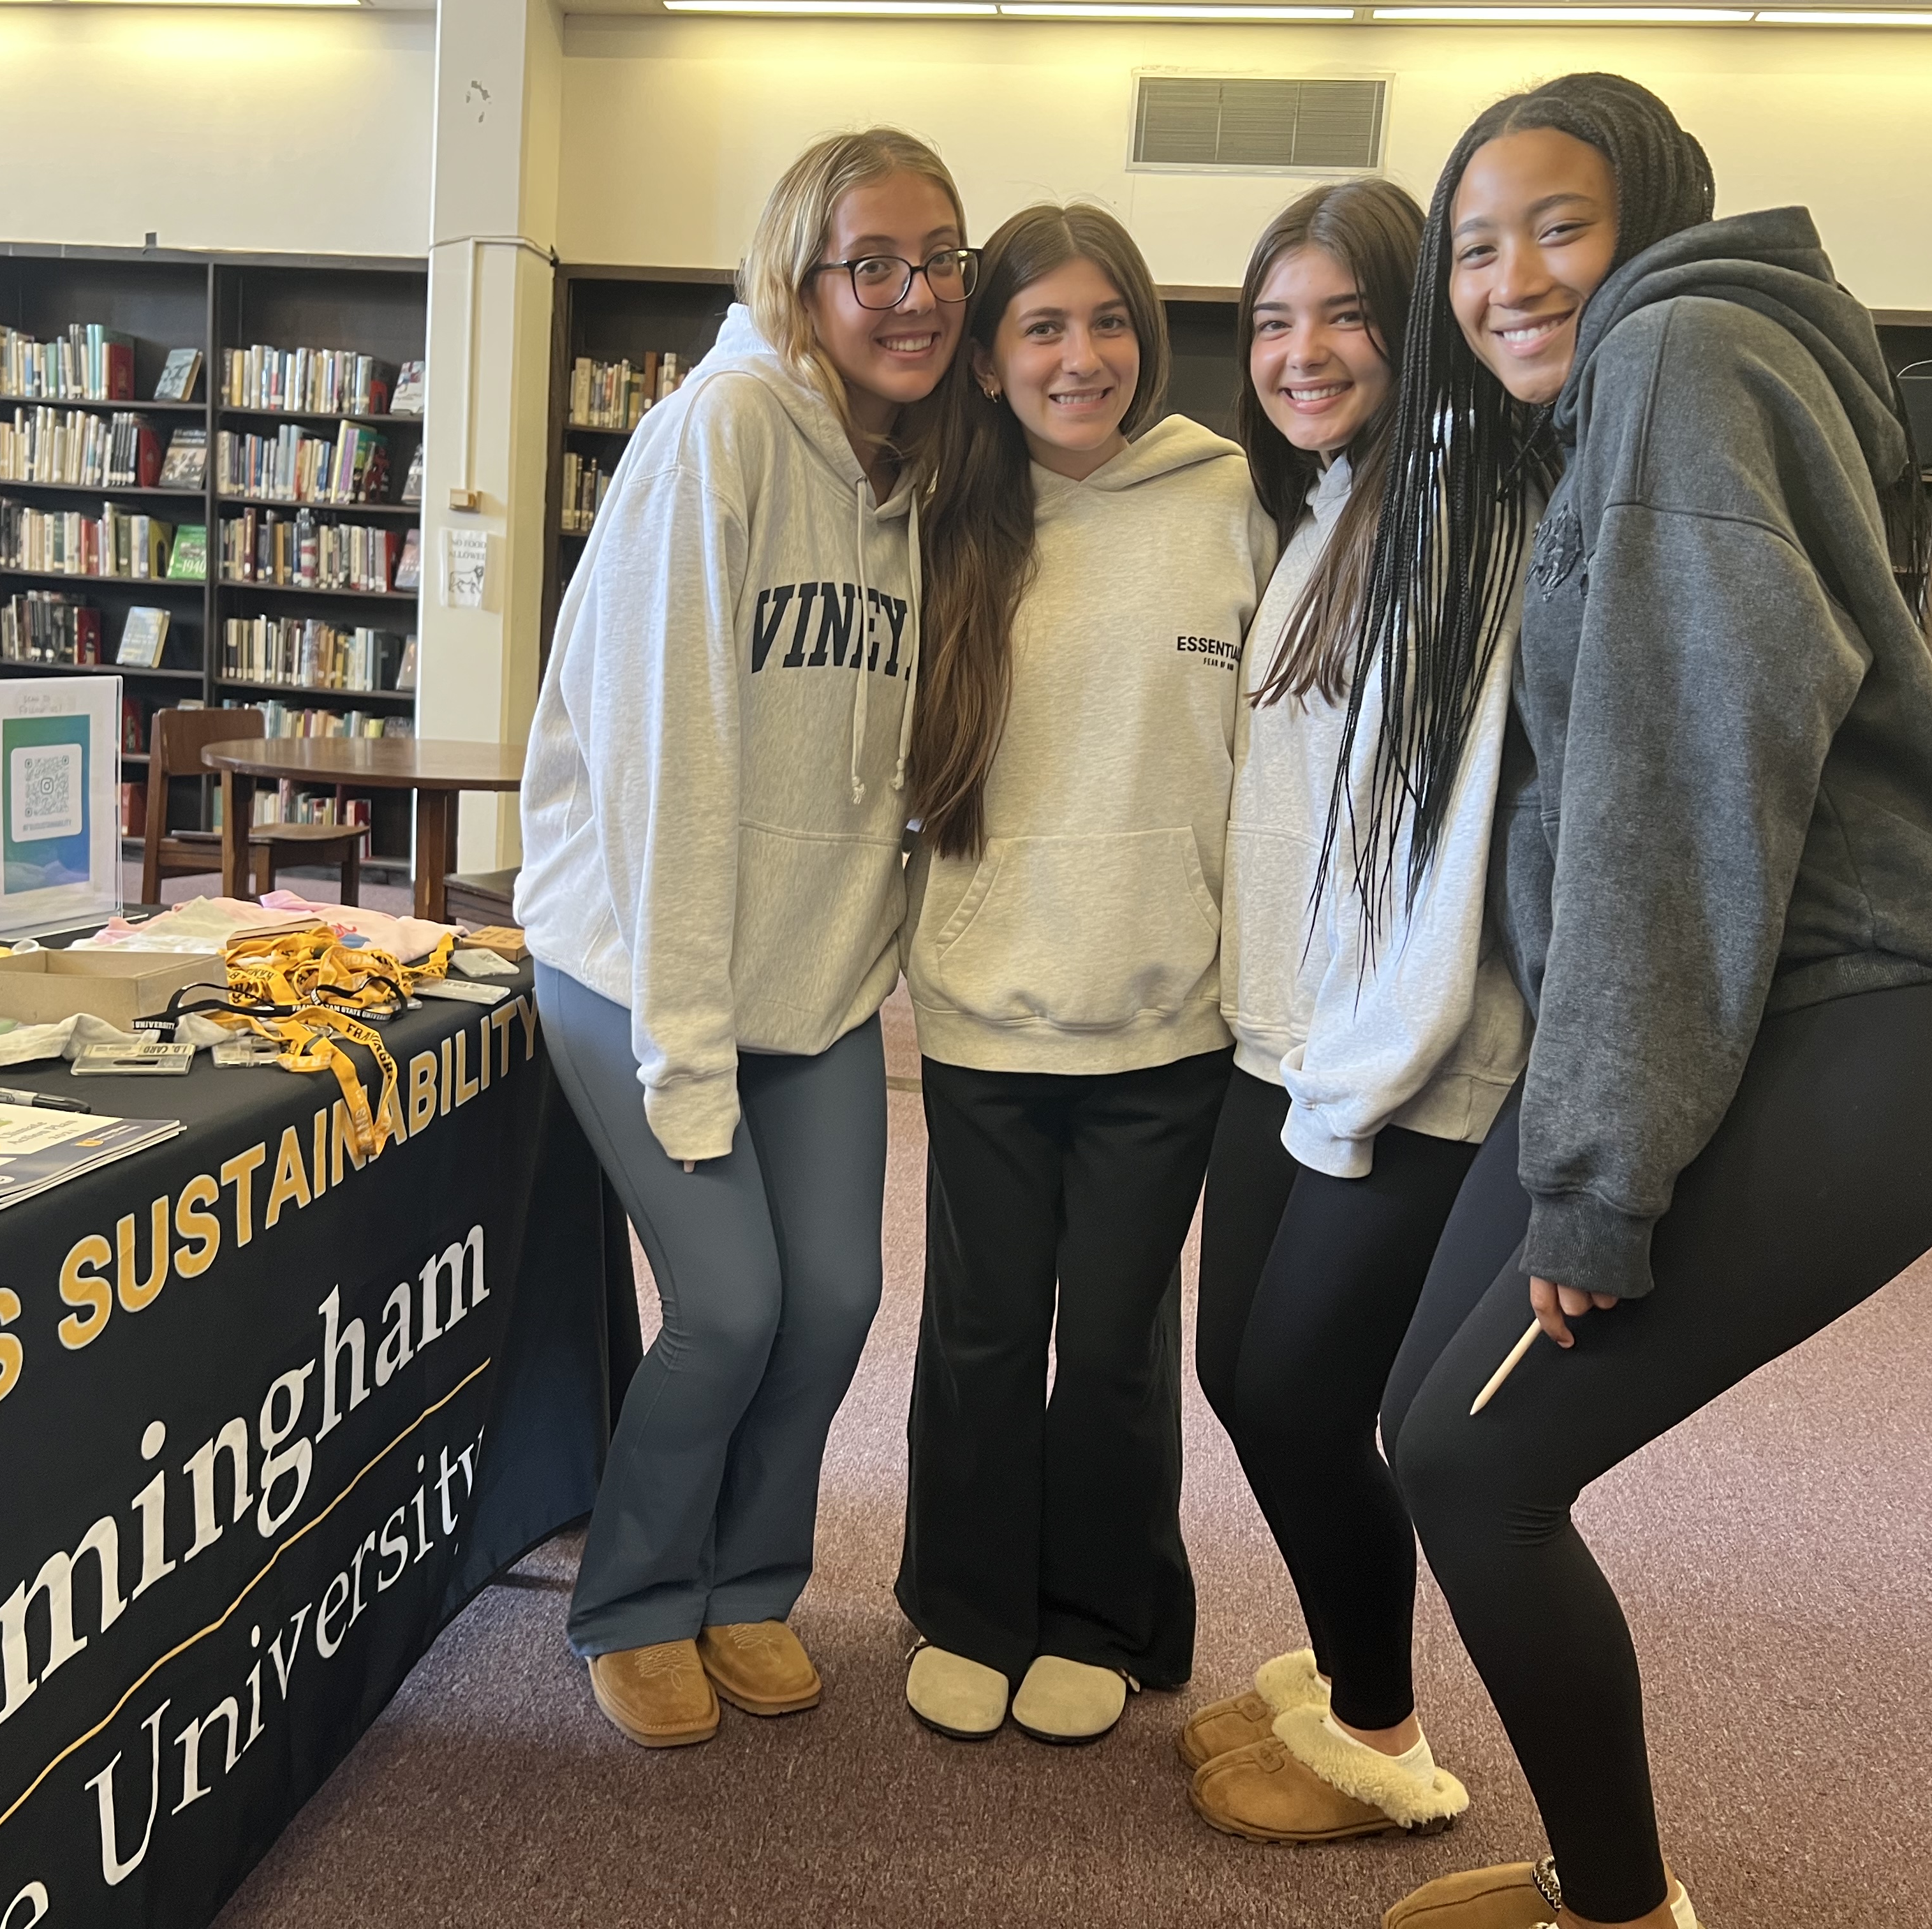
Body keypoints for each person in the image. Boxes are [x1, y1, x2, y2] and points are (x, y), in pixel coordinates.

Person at [1359, 75, 1932, 1929]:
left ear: (1656, 219)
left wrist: (1601, 1178)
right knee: (1417, 1411)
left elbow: (1678, 807)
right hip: (1749, 996)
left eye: (1559, 227)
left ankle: (1618, 1909)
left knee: (1470, 1466)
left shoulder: (1680, 366)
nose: (1508, 278)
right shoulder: (1650, 385)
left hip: (1874, 1007)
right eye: (1474, 244)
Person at [514, 126, 972, 1751]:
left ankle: (748, 1585)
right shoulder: (718, 434)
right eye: (875, 263)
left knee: (837, 1300)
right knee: (731, 1306)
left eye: (941, 261)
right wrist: (686, 1051)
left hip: (814, 974)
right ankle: (634, 1601)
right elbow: (672, 777)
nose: (915, 295)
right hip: (640, 960)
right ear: (802, 274)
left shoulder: (910, 470)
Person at [893, 202, 1275, 1747]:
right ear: (986, 361)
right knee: (982, 1328)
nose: (1081, 356)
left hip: (1167, 1016)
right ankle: (970, 1605)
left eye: (1107, 320)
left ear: (1146, 338)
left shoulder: (1234, 499)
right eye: (1042, 327)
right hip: (986, 1006)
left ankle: (1107, 1614)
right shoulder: (939, 516)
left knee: (1118, 1338)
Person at [1179, 178, 1527, 1846]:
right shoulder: (1333, 501)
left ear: (1414, 324)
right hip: (1286, 1040)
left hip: (1399, 1068)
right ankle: (1344, 1670)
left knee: (1312, 1396)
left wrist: (1352, 1087)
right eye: (1269, 320)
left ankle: (1381, 1733)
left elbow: (1441, 847)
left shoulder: (1464, 515)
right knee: (1238, 1374)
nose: (1300, 352)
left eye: (1341, 315)